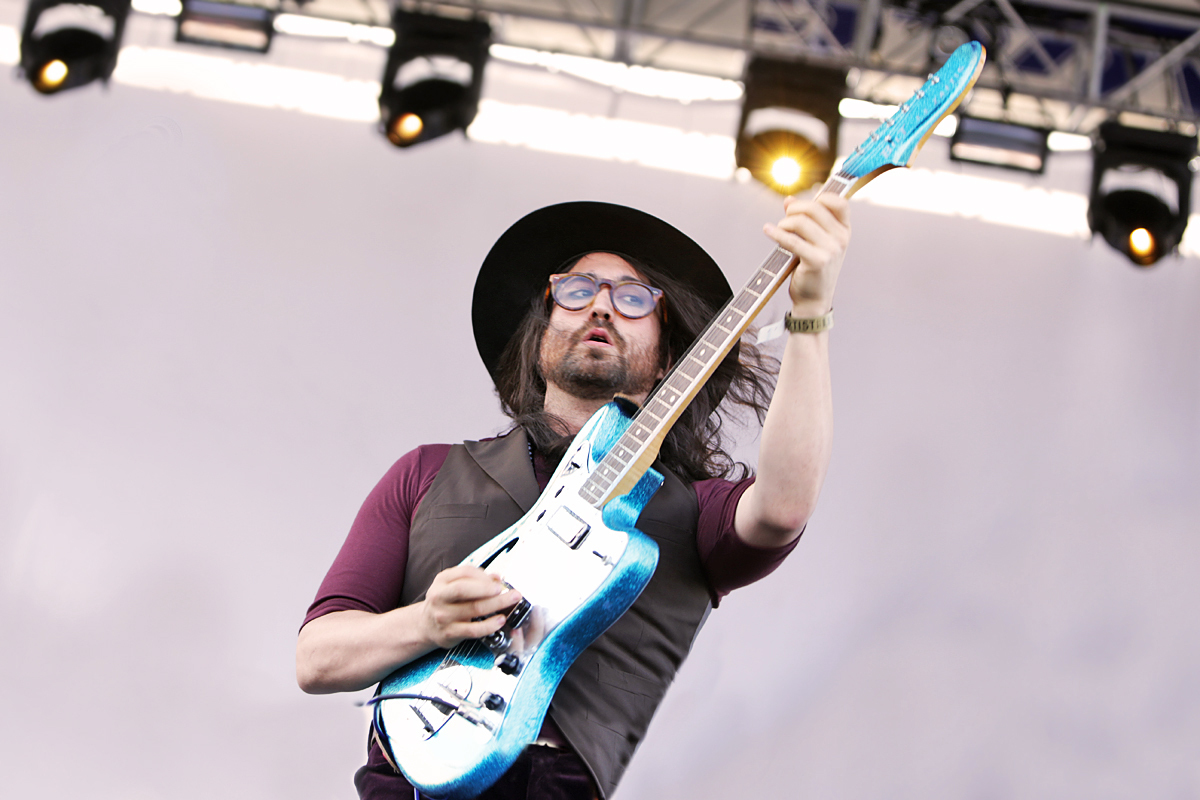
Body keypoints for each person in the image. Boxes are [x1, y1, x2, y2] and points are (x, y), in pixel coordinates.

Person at [296, 194, 851, 800]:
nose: (603, 306)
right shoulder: (428, 471)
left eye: (635, 297)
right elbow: (318, 658)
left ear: (670, 358)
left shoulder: (696, 509)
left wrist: (811, 314)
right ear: (538, 338)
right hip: (410, 781)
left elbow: (783, 508)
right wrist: (427, 623)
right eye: (577, 289)